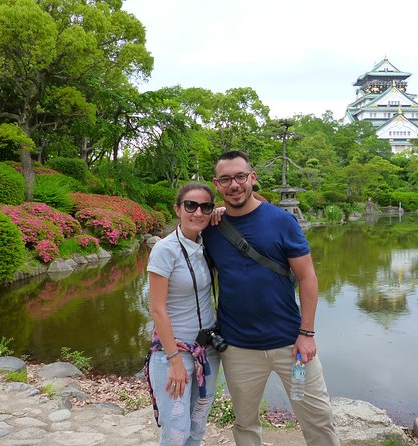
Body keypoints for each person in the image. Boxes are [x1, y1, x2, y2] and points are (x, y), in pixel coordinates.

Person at [203, 151, 341, 446]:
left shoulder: (281, 221)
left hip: (291, 344)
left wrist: (307, 333)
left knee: (318, 418)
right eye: (226, 179)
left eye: (240, 176)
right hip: (238, 347)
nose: (234, 185)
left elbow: (308, 278)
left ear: (252, 178)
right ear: (217, 184)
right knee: (245, 422)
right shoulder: (212, 229)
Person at [144, 182, 221, 446]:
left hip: (207, 353)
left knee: (197, 427)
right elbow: (157, 309)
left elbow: (253, 205)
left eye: (206, 207)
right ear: (178, 209)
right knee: (176, 432)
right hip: (173, 354)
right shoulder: (165, 250)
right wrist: (174, 360)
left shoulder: (206, 243)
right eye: (190, 205)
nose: (198, 212)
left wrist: (222, 210)